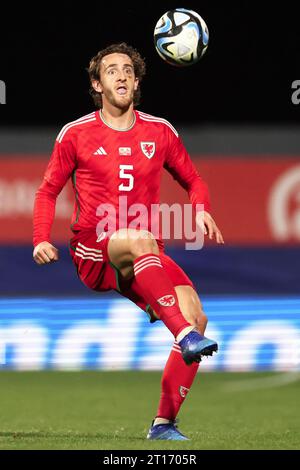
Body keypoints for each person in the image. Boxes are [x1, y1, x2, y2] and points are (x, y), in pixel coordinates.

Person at [33, 42, 224, 441]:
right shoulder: (76, 134)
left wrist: (201, 207)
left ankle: (163, 424)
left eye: (127, 70)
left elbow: (194, 179)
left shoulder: (160, 131)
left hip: (144, 250)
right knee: (140, 242)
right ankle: (184, 336)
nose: (120, 75)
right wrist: (39, 239)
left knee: (197, 316)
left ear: (136, 83)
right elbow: (47, 191)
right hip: (93, 249)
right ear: (97, 84)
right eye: (111, 70)